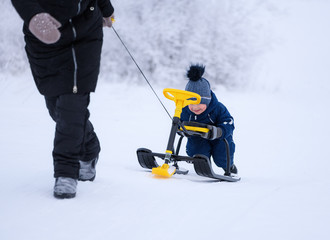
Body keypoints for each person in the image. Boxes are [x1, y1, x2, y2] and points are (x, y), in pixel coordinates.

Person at [11, 0, 115, 199]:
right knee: (55, 108)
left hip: (85, 34)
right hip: (45, 35)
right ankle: (89, 147)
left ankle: (66, 173)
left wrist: (106, 10)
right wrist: (34, 16)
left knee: (72, 105)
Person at [181, 64, 238, 174]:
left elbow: (229, 122)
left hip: (218, 138)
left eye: (199, 104)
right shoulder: (185, 110)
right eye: (191, 104)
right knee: (197, 152)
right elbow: (179, 123)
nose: (195, 108)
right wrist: (181, 129)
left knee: (222, 155)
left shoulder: (218, 108)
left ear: (207, 100)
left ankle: (229, 166)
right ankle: (205, 167)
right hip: (198, 138)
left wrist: (220, 131)